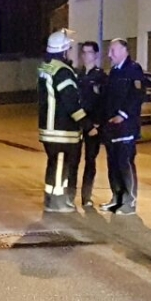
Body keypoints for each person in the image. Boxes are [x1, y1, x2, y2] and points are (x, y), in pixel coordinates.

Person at [37, 28, 88, 214]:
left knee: (54, 164)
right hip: (62, 129)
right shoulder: (63, 71)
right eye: (69, 48)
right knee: (60, 164)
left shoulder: (46, 67)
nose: (71, 52)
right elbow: (70, 101)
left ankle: (50, 198)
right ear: (63, 50)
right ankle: (57, 203)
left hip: (49, 127)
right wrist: (86, 123)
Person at [101, 38, 146, 216]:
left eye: (113, 50)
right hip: (112, 128)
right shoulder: (114, 72)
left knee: (124, 163)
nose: (109, 54)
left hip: (126, 127)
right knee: (113, 164)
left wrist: (123, 114)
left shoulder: (133, 69)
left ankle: (129, 201)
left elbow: (137, 95)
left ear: (124, 51)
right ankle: (116, 198)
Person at [76, 40, 107, 208]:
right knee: (73, 160)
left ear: (95, 55)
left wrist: (97, 124)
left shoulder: (100, 77)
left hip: (93, 125)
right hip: (77, 122)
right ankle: (69, 194)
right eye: (84, 52)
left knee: (90, 160)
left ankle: (86, 196)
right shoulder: (77, 74)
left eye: (89, 52)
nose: (86, 56)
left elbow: (103, 103)